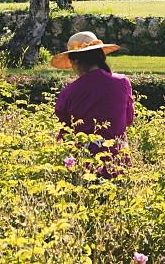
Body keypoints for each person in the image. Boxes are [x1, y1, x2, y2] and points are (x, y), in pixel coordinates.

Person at [52, 31, 134, 173]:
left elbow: (65, 134)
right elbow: (128, 119)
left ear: (76, 61)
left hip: (84, 165)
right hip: (118, 162)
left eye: (71, 62)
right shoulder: (122, 83)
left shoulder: (68, 93)